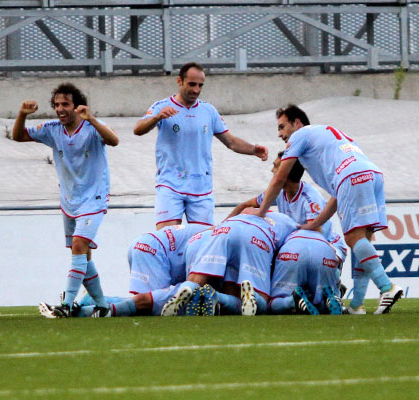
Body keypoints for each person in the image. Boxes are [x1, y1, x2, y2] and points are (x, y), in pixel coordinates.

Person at [257, 104, 403, 315]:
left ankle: (386, 286)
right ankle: (357, 305)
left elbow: (280, 177)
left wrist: (261, 213)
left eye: (282, 127)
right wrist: (315, 223)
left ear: (297, 123)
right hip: (371, 173)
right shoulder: (327, 136)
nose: (280, 134)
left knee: (353, 238)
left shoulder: (301, 135)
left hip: (351, 176)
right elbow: (337, 195)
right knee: (362, 241)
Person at [11, 83, 119, 318]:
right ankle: (102, 306)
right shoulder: (52, 130)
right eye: (57, 104)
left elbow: (114, 140)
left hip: (94, 199)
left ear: (77, 107)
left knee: (79, 246)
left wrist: (92, 119)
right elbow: (18, 136)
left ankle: (67, 304)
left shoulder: (91, 128)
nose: (60, 109)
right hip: (70, 201)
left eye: (65, 104)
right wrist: (22, 114)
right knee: (82, 256)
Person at [133, 62, 268, 230]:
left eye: (200, 85)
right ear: (179, 81)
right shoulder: (162, 107)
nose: (196, 90)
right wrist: (156, 118)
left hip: (201, 189)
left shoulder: (208, 110)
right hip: (171, 186)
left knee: (202, 242)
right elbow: (137, 129)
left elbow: (231, 141)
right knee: (168, 239)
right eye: (191, 84)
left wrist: (253, 150)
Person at [162, 210, 298, 317]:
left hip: (224, 229)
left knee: (198, 279)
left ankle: (189, 289)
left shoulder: (249, 211)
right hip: (256, 236)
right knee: (261, 301)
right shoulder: (290, 225)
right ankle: (250, 295)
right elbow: (286, 255)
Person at [227, 151, 347, 271]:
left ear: (286, 172)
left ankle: (333, 282)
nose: (272, 170)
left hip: (328, 246)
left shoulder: (310, 197)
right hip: (298, 245)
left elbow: (315, 235)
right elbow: (243, 206)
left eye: (275, 166)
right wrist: (222, 227)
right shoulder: (277, 192)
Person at [79, 224, 206, 317]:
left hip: (145, 244)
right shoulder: (216, 241)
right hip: (153, 250)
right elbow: (196, 283)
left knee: (144, 303)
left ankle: (91, 301)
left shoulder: (213, 233)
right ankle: (84, 312)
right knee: (149, 307)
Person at [269, 230, 344, 315]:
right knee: (318, 297)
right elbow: (338, 258)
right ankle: (329, 299)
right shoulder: (331, 233)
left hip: (293, 250)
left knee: (274, 302)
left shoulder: (289, 226)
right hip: (323, 250)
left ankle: (292, 301)